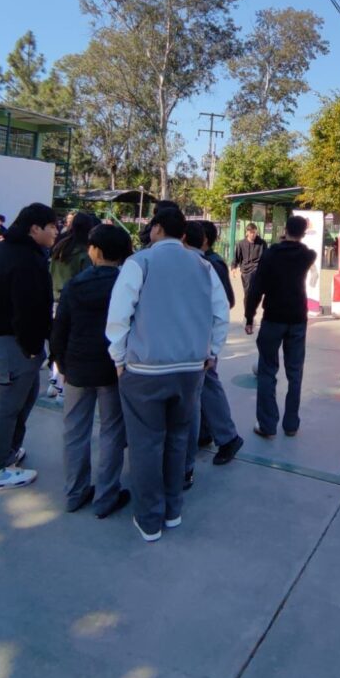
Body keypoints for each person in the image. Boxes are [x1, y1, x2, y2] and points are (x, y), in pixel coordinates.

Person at [106, 206, 229, 542]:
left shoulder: (139, 263)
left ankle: (149, 519)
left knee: (146, 444)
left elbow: (118, 316)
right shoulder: (204, 266)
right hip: (190, 369)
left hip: (145, 369)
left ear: (158, 229)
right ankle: (172, 510)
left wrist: (118, 358)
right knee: (178, 439)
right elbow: (221, 314)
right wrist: (211, 353)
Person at [0, 203, 58, 490]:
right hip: (6, 341)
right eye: (52, 226)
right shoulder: (23, 258)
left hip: (5, 338)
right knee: (5, 405)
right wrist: (33, 347)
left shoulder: (14, 251)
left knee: (23, 397)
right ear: (35, 228)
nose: (56, 231)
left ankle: (7, 453)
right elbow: (27, 309)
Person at [51, 224, 133, 517]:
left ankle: (75, 492)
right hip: (113, 369)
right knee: (112, 430)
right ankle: (106, 496)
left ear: (96, 250)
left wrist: (60, 362)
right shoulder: (127, 285)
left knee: (75, 430)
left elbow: (60, 327)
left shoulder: (76, 284)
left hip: (77, 366)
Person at [182, 221, 242, 484]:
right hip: (199, 339)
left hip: (203, 342)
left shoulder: (210, 264)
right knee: (204, 388)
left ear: (203, 240)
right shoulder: (203, 263)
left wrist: (212, 342)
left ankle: (228, 438)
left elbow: (226, 302)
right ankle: (207, 432)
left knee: (209, 385)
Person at [245, 215, 316, 438]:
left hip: (273, 317)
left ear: (284, 229)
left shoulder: (271, 254)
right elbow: (301, 248)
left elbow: (257, 287)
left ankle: (267, 425)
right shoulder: (308, 255)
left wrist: (249, 316)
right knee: (295, 373)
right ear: (304, 233)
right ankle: (291, 424)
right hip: (297, 318)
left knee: (267, 371)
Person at [47, 211, 100, 399]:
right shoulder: (85, 252)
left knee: (57, 342)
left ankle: (54, 381)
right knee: (70, 344)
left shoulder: (60, 246)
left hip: (54, 300)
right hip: (74, 303)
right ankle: (63, 386)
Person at [232, 223, 266, 311]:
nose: (253, 234)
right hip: (246, 272)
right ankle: (247, 313)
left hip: (257, 271)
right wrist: (233, 268)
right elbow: (236, 258)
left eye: (254, 232)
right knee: (247, 293)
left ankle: (250, 314)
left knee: (255, 293)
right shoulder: (241, 244)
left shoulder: (262, 243)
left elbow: (266, 257)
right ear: (247, 232)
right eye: (251, 232)